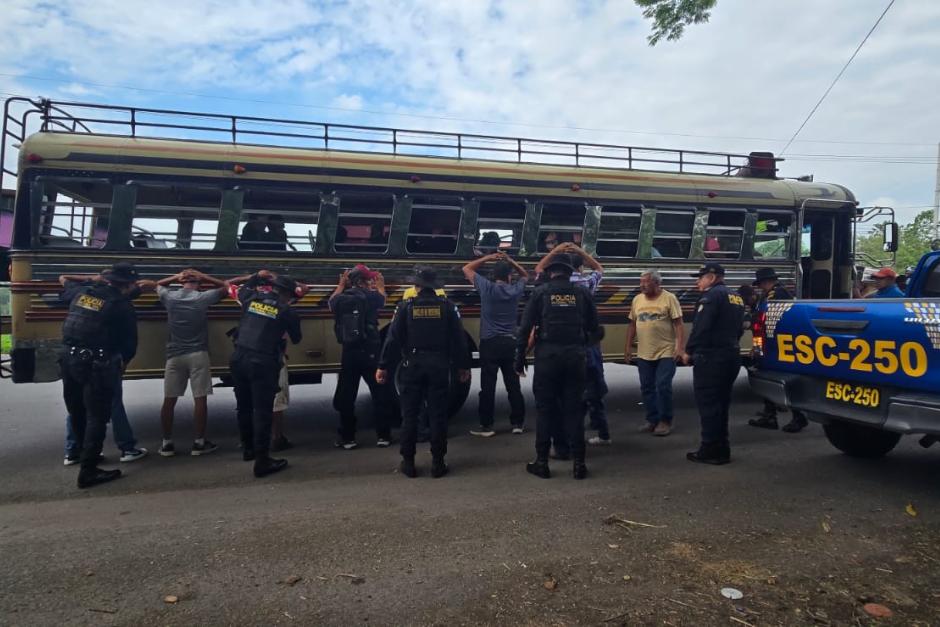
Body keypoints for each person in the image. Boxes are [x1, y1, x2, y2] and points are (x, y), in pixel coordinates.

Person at [376, 266, 470, 479]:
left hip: (412, 365)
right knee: (438, 415)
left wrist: (383, 366)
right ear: (435, 286)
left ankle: (409, 463)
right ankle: (438, 463)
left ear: (417, 286)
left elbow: (392, 339)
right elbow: (459, 340)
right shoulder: (448, 307)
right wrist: (463, 367)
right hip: (439, 365)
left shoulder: (405, 307)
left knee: (409, 415)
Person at [59, 262, 145, 488]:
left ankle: (85, 455)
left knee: (77, 411)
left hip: (68, 359)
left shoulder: (82, 293)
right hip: (97, 363)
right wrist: (122, 365)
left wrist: (93, 279)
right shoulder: (122, 305)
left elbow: (63, 279)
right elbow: (129, 345)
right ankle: (88, 472)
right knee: (97, 416)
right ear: (128, 284)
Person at [515, 253, 600, 480]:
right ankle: (579, 464)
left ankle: (542, 463)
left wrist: (519, 359)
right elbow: (595, 328)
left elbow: (524, 329)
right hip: (575, 358)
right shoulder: (582, 293)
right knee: (574, 410)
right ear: (570, 272)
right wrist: (582, 345)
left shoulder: (540, 293)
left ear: (550, 272)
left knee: (545, 410)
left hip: (547, 358)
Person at [228, 270, 303, 478]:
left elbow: (242, 288)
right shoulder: (287, 311)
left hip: (238, 358)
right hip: (262, 362)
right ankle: (262, 462)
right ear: (287, 294)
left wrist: (256, 275)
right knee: (262, 412)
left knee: (244, 407)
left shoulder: (251, 298)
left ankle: (248, 449)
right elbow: (296, 338)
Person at [536, 242, 610, 446]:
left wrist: (556, 250)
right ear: (580, 267)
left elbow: (539, 268)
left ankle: (567, 436)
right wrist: (579, 250)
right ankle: (601, 429)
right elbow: (599, 269)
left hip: (563, 346)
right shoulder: (585, 284)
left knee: (567, 393)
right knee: (593, 386)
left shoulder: (551, 286)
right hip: (587, 343)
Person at [155, 269, 228, 457]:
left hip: (174, 356)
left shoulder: (170, 297)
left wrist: (175, 276)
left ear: (182, 283)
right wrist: (205, 276)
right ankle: (199, 443)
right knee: (200, 399)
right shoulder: (202, 298)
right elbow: (227, 287)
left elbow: (157, 284)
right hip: (198, 354)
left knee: (169, 400)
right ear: (199, 284)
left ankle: (167, 443)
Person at [680, 262, 745, 465]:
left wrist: (688, 351)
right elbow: (740, 329)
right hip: (731, 355)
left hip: (711, 358)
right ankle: (722, 448)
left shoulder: (711, 296)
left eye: (700, 278)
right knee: (721, 405)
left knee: (708, 405)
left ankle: (710, 449)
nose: (698, 282)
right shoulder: (736, 296)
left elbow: (701, 327)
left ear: (712, 277)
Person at [462, 252, 528, 437]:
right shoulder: (515, 290)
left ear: (493, 276)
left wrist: (488, 258)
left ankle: (487, 426)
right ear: (509, 277)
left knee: (488, 386)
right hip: (510, 342)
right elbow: (525, 275)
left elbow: (466, 268)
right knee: (513, 385)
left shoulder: (486, 287)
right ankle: (517, 423)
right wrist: (511, 261)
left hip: (489, 343)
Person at [329, 263, 394, 449]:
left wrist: (341, 285)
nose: (371, 282)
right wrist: (381, 286)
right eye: (369, 279)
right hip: (370, 352)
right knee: (379, 392)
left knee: (347, 395)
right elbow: (383, 300)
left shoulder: (341, 299)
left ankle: (348, 437)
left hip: (350, 352)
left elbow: (331, 303)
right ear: (363, 282)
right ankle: (383, 436)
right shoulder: (371, 297)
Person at [624, 270, 684, 437]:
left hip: (666, 351)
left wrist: (679, 348)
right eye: (641, 281)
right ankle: (652, 419)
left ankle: (665, 421)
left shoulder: (669, 298)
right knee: (647, 387)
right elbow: (632, 324)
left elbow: (679, 324)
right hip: (644, 352)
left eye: (646, 282)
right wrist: (627, 347)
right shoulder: (637, 299)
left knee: (663, 385)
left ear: (657, 283)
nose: (642, 285)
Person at [747, 268, 807, 433]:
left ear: (766, 282)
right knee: (769, 378)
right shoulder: (775, 294)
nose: (760, 287)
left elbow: (764, 323)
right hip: (774, 343)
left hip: (775, 344)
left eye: (761, 284)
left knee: (781, 379)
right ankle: (770, 415)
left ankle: (797, 416)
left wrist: (757, 347)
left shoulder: (775, 296)